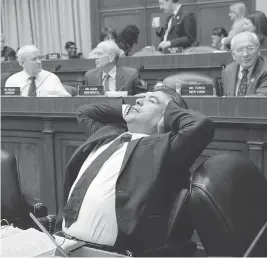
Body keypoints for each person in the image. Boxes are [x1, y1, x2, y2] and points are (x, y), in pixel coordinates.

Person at [54, 86, 214, 255]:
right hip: (63, 244)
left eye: (151, 101)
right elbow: (85, 112)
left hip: (108, 253)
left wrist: (169, 109)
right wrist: (127, 109)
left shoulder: (163, 149)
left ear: (165, 118)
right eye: (141, 98)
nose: (138, 100)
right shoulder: (108, 134)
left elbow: (201, 125)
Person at [5, 45, 71, 97]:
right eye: (34, 59)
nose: (39, 61)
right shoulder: (12, 81)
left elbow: (66, 99)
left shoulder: (51, 77)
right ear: (22, 63)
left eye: (39, 58)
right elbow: (8, 104)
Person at [222, 31, 267, 97]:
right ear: (233, 55)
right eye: (240, 50)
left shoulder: (265, 69)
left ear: (258, 50)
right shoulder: (228, 71)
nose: (245, 54)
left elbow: (261, 99)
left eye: (250, 48)